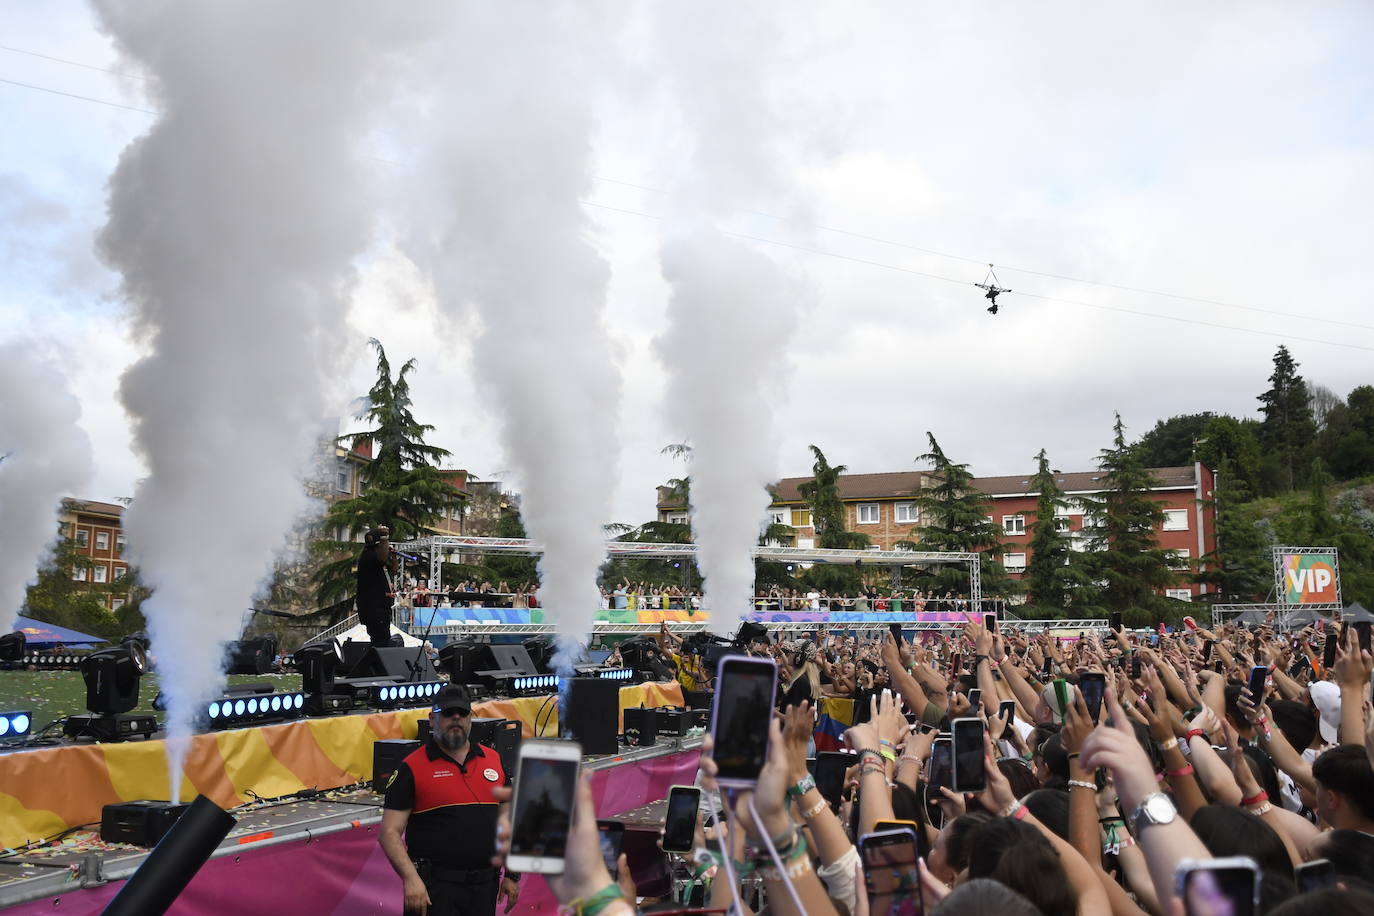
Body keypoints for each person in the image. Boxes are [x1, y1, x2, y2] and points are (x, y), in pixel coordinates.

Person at [380, 684, 520, 915]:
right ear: (432, 718)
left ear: (470, 718)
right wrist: (411, 879)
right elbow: (388, 833)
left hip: (484, 887)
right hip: (435, 890)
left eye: (462, 712)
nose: (456, 718)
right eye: (447, 712)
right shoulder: (411, 767)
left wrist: (513, 875)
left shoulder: (493, 759)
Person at [356, 527, 396, 648]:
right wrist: (385, 537)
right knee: (381, 642)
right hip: (374, 609)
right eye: (383, 545)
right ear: (378, 546)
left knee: (382, 640)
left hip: (379, 608)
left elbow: (394, 570)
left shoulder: (375, 559)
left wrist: (394, 556)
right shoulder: (369, 557)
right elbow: (382, 558)